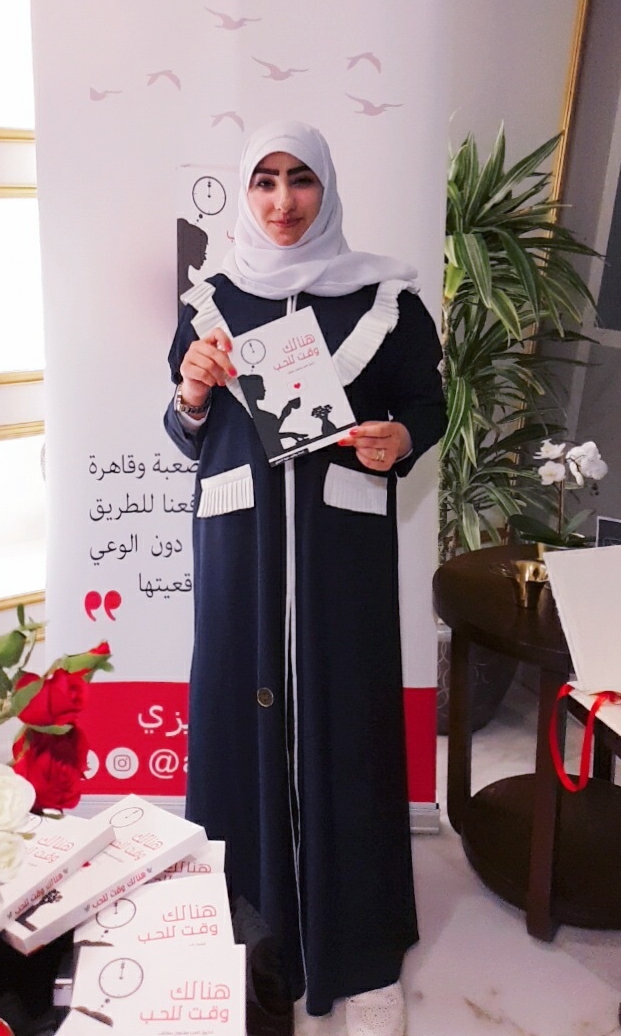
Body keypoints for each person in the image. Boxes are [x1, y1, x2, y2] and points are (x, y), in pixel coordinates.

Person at [164, 121, 446, 1036]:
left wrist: (402, 438)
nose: (283, 201)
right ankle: (246, 936)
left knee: (345, 720)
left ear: (326, 187)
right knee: (236, 717)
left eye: (301, 180)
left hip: (339, 547)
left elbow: (428, 404)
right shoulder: (210, 298)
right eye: (265, 181)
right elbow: (184, 427)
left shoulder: (384, 298)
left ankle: (360, 951)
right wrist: (192, 392)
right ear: (245, 193)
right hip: (239, 543)